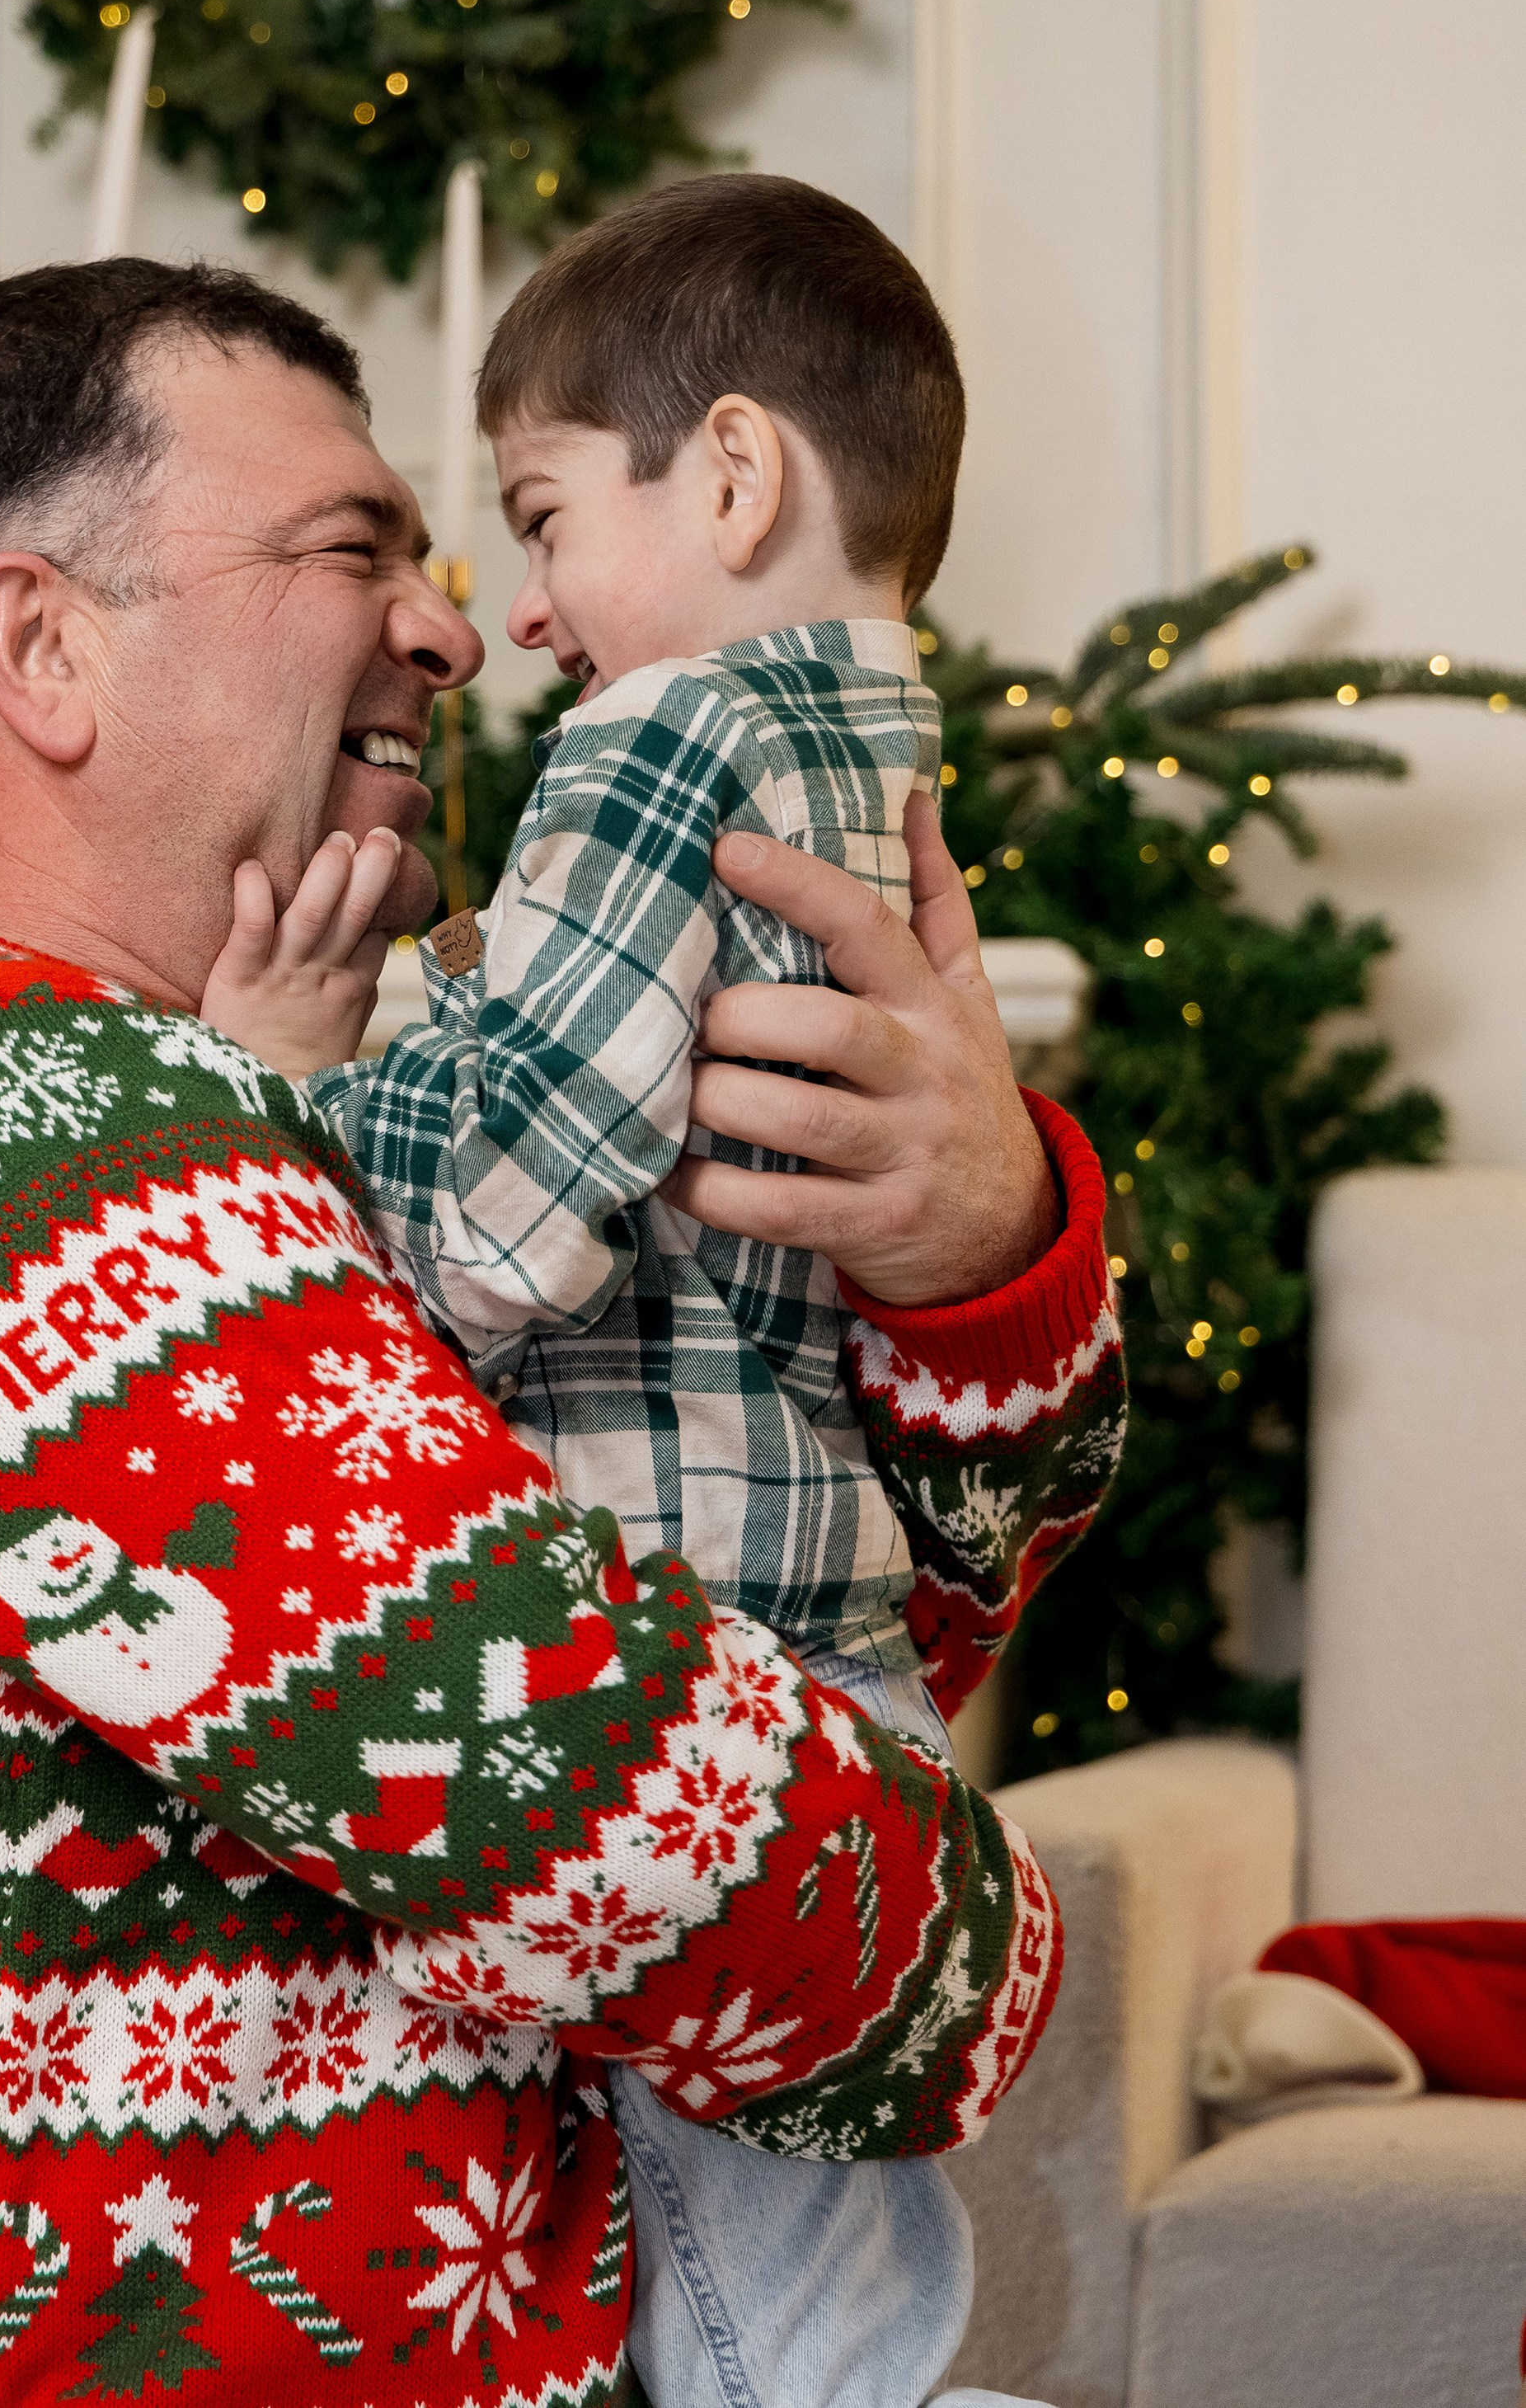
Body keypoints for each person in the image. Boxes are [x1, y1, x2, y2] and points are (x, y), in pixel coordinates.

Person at [0, 256, 1118, 2408]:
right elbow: (665, 1825)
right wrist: (1002, 1954)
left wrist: (976, 1253)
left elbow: (841, 1637)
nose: (455, 624)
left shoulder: (203, 1124)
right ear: (45, 645)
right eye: (351, 550)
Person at [206, 177, 1124, 2407]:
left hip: (696, 1664)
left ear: (731, 475)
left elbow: (517, 1211)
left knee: (791, 2372)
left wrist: (279, 1097)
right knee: (829, 2337)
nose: (505, 616)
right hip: (836, 1669)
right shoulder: (868, 745)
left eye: (534, 522)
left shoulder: (656, 749)